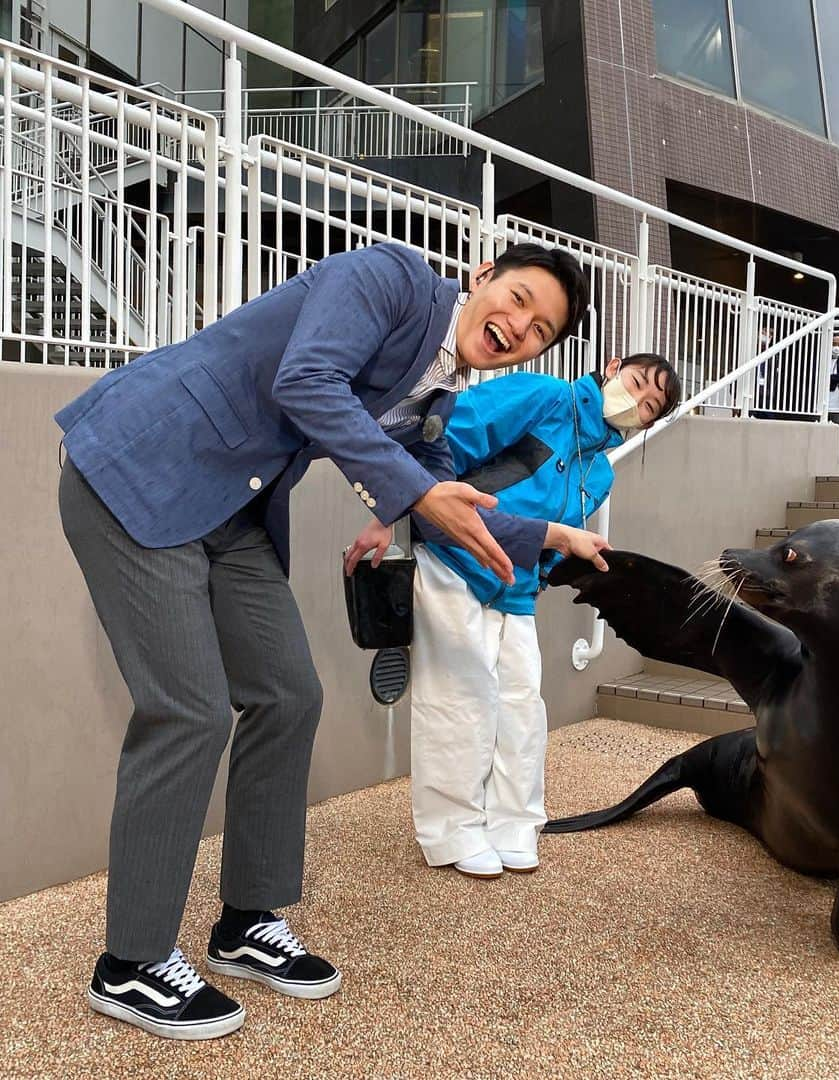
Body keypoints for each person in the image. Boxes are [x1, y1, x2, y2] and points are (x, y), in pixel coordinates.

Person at [56, 240, 589, 1040]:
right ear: (481, 277)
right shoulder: (387, 279)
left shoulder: (438, 387)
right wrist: (411, 492)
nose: (520, 327)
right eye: (517, 300)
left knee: (289, 694)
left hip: (232, 510)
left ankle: (246, 922)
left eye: (541, 329)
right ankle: (130, 964)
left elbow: (453, 499)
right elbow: (304, 379)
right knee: (190, 711)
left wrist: (550, 533)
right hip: (140, 468)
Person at [347, 354, 681, 878]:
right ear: (613, 367)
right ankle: (452, 831)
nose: (635, 403)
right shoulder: (545, 395)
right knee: (459, 698)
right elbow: (441, 446)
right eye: (636, 384)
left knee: (523, 707)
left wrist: (549, 565)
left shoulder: (600, 472)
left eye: (648, 407)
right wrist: (386, 513)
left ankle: (515, 824)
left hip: (517, 585)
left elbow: (560, 536)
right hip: (455, 557)